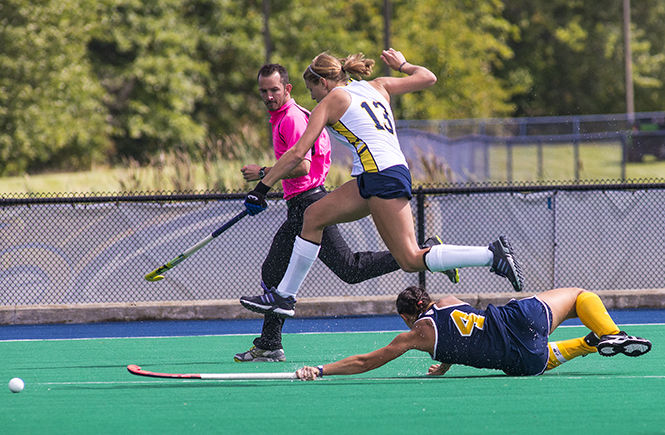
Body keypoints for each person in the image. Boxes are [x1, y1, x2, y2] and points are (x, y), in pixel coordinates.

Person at [241, 48, 523, 318]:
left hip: (381, 176)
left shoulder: (331, 101)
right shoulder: (377, 86)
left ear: (323, 83)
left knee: (410, 259)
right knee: (313, 216)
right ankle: (284, 297)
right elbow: (428, 77)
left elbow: (297, 154)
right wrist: (403, 66)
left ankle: (491, 255)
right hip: (375, 175)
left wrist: (261, 188)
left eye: (312, 89)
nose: (312, 97)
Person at [236, 64, 453, 362]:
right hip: (301, 202)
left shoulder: (294, 118)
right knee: (275, 271)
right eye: (263, 91)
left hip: (308, 200)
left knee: (349, 269)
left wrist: (262, 180)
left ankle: (429, 250)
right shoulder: (294, 114)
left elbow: (301, 162)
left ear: (288, 89)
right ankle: (270, 341)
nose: (268, 96)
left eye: (274, 90)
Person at [295, 286, 652, 380]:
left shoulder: (416, 335)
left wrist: (322, 369)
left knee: (537, 358)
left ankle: (594, 344)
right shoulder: (448, 300)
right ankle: (607, 334)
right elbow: (465, 324)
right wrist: (446, 360)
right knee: (579, 297)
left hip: (521, 361)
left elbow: (366, 361)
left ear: (407, 316)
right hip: (519, 321)